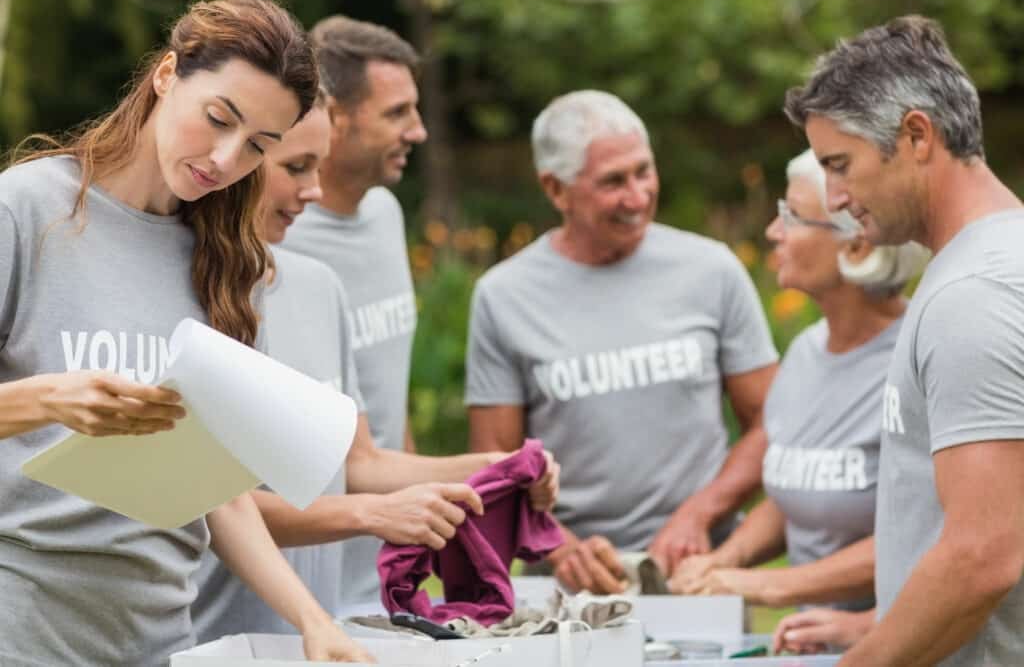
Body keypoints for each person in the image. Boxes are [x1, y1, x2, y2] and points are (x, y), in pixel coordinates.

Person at [0, 0, 371, 665]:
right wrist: (47, 400)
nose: (226, 159)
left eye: (258, 146)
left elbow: (218, 488)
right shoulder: (26, 212)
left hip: (161, 640)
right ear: (167, 74)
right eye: (218, 119)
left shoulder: (222, 262)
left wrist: (314, 621)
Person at [192, 89, 559, 642]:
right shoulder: (183, 300)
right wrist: (367, 514)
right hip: (213, 640)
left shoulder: (318, 288)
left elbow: (358, 464)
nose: (314, 190)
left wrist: (492, 468)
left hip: (318, 635)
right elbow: (208, 503)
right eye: (295, 167)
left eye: (317, 167)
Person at [465, 89, 780, 594]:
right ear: (556, 189)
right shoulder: (504, 296)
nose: (636, 197)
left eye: (643, 171)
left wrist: (702, 512)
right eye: (613, 181)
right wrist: (558, 546)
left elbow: (772, 420)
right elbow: (494, 460)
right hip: (569, 585)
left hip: (698, 570)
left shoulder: (711, 270)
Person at [785, 15, 1024, 666]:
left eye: (841, 164)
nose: (834, 198)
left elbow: (983, 554)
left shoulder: (973, 294)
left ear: (917, 135)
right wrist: (875, 622)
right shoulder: (994, 259)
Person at [669, 149, 928, 613]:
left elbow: (929, 534)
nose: (772, 232)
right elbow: (800, 496)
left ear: (858, 245)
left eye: (791, 216)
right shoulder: (806, 351)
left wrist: (764, 587)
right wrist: (724, 561)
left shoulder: (919, 357)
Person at [279, 15, 429, 606]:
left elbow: (388, 396)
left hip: (387, 564)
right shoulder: (277, 234)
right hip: (303, 577)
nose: (417, 131)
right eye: (397, 113)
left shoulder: (386, 215)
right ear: (333, 115)